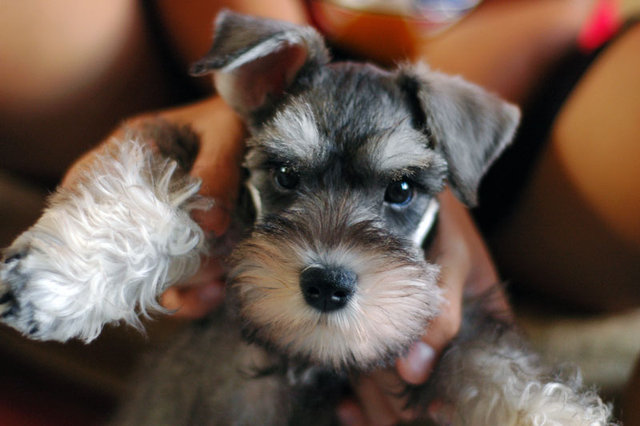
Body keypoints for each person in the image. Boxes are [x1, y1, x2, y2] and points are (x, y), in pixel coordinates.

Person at [0, 0, 638, 424]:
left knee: (485, 364)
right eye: (287, 176)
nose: (330, 258)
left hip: (537, 85)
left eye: (397, 188)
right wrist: (256, 98)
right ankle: (84, 261)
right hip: (234, 52)